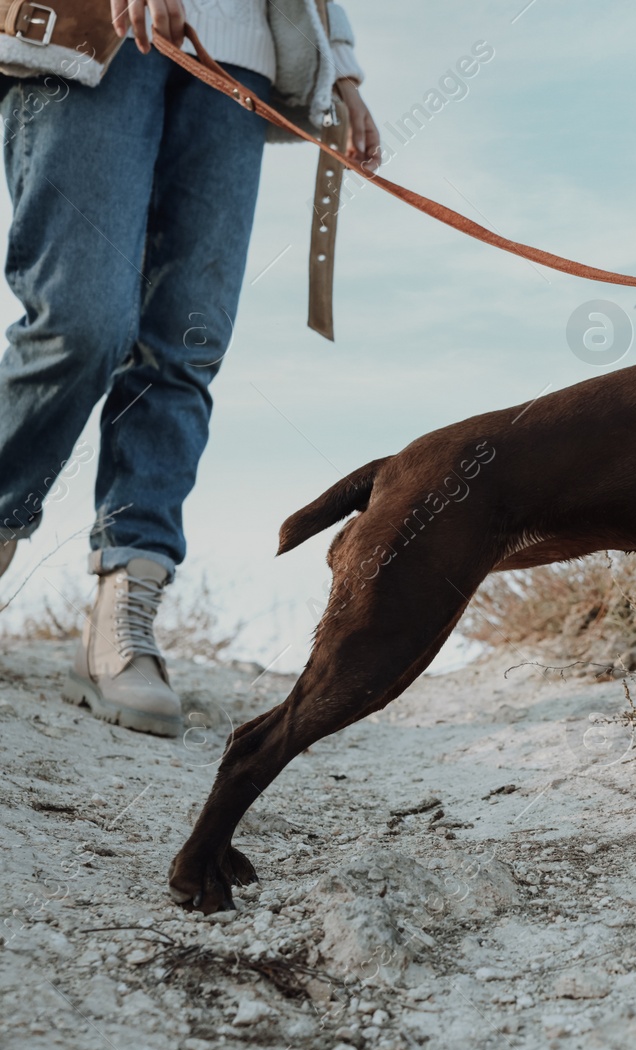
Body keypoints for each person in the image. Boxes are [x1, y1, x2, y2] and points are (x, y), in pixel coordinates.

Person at [0, 0, 379, 736]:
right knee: (80, 322)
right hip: (90, 25)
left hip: (238, 55)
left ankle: (125, 602)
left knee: (186, 344)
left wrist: (342, 69)